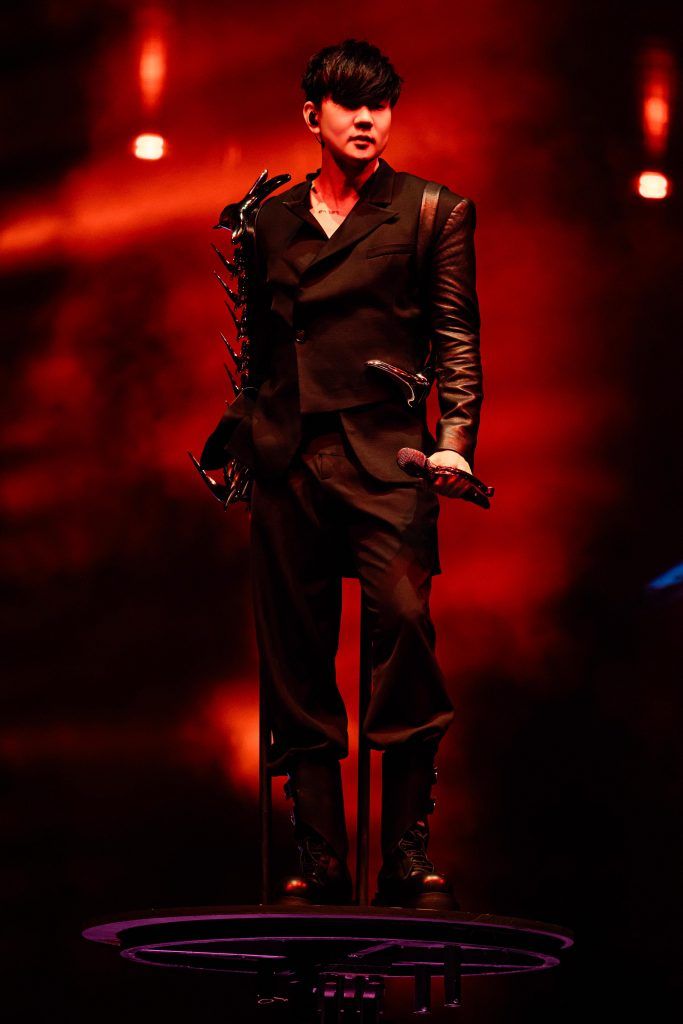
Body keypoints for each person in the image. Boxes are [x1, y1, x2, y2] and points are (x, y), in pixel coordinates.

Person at [199, 38, 483, 910]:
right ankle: (319, 858)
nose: (365, 119)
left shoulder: (431, 210)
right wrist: (243, 436)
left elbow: (455, 335)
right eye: (349, 104)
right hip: (289, 460)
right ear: (311, 115)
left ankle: (404, 855)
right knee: (295, 656)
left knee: (404, 632)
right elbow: (260, 345)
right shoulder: (269, 220)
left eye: (379, 105)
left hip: (386, 457)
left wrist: (455, 438)